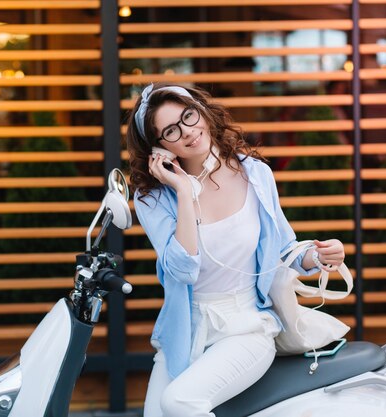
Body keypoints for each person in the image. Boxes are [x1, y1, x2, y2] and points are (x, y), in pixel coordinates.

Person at [125, 83, 345, 417]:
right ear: (159, 148)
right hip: (186, 331)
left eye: (188, 116)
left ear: (202, 111)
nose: (187, 131)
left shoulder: (255, 174)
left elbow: (285, 248)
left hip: (247, 326)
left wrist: (320, 256)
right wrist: (184, 191)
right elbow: (183, 270)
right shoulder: (153, 199)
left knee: (179, 403)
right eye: (171, 130)